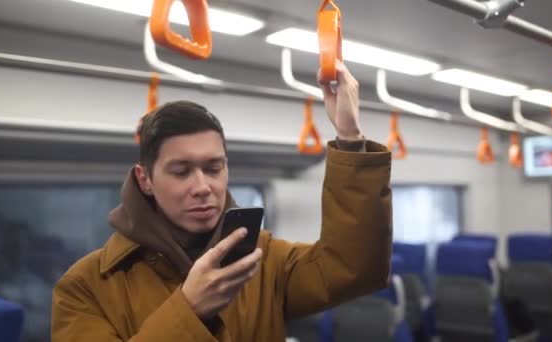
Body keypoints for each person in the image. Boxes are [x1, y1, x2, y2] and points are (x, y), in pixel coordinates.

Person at [51, 61, 393, 341]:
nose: (203, 186)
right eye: (181, 171)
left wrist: (349, 137)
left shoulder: (262, 259)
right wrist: (189, 309)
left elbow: (354, 268)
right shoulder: (86, 287)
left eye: (213, 168)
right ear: (146, 180)